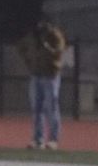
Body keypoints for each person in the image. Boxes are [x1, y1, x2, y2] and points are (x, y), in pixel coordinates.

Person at [17, 17, 67, 150]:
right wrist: (29, 62)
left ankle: (53, 139)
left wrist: (48, 49)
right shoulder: (31, 36)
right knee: (36, 108)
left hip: (50, 75)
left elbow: (60, 50)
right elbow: (21, 48)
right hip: (36, 75)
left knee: (51, 106)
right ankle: (37, 139)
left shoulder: (54, 35)